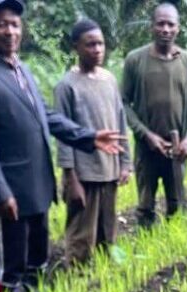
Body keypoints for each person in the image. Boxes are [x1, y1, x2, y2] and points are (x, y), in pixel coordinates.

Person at [0, 0, 123, 292]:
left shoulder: (21, 67)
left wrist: (88, 136)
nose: (10, 31)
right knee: (10, 263)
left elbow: (45, 115)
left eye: (15, 24)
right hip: (10, 189)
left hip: (37, 184)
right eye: (2, 23)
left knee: (37, 257)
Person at [54, 19, 132, 265]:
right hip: (83, 174)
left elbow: (120, 121)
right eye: (90, 45)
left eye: (100, 44)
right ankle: (76, 278)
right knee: (81, 233)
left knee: (106, 231)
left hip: (109, 170)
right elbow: (63, 135)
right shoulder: (67, 86)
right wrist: (70, 177)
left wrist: (125, 162)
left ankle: (101, 277)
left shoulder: (109, 79)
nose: (97, 49)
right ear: (76, 47)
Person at [121, 2, 187, 228]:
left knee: (176, 204)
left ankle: (174, 253)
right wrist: (146, 135)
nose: (165, 29)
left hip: (177, 151)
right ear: (151, 27)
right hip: (147, 149)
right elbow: (124, 103)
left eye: (170, 24)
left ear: (178, 28)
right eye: (160, 24)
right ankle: (148, 253)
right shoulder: (135, 60)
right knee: (145, 207)